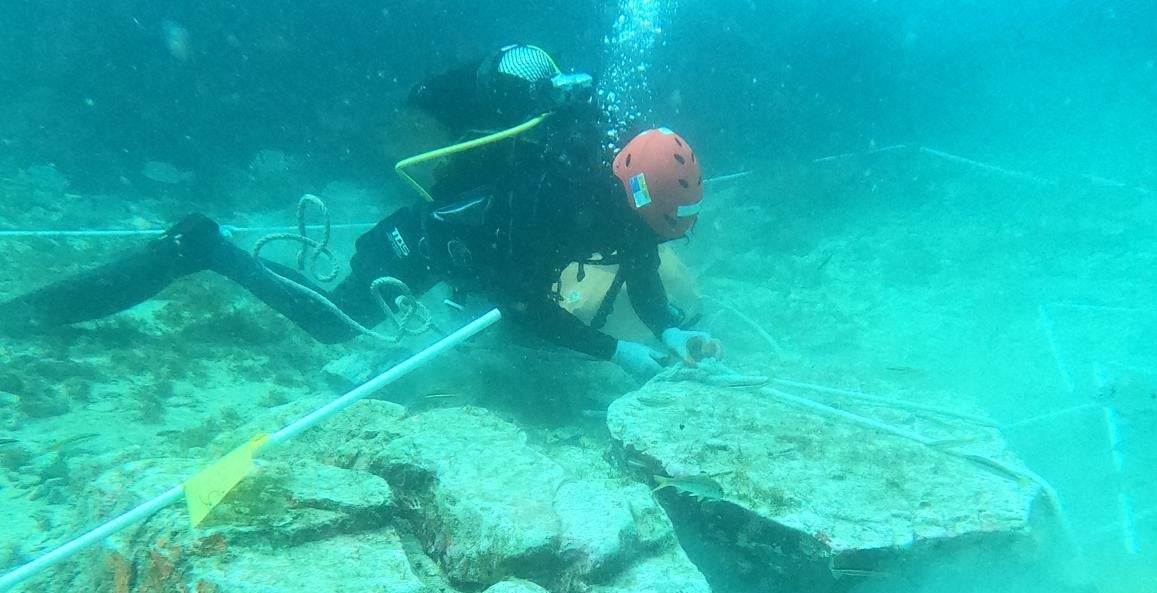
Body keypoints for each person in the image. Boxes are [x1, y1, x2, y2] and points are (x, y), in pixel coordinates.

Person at [0, 44, 720, 380]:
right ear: (638, 196)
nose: (661, 236)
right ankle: (206, 246)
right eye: (665, 222)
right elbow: (522, 303)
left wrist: (674, 331)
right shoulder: (554, 198)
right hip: (422, 244)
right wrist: (617, 352)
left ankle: (210, 245)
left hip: (476, 254)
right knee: (332, 323)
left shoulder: (619, 209)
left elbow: (641, 270)